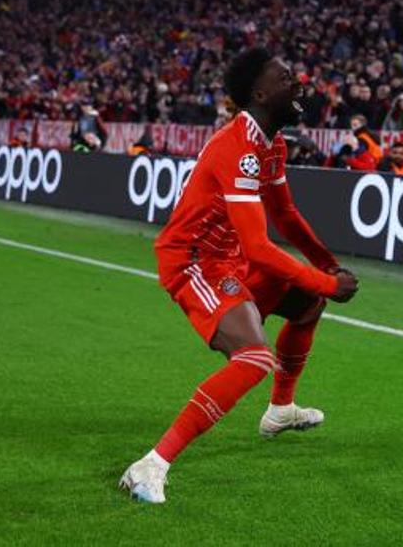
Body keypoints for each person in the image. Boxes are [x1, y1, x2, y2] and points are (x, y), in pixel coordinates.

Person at [119, 48, 359, 505]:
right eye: (287, 78)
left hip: (229, 261)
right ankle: (152, 464)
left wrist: (325, 264)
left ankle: (280, 410)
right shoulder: (238, 148)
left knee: (308, 306)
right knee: (252, 358)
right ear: (261, 92)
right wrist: (326, 280)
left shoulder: (272, 144)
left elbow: (284, 215)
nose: (300, 83)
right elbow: (260, 248)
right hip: (193, 263)